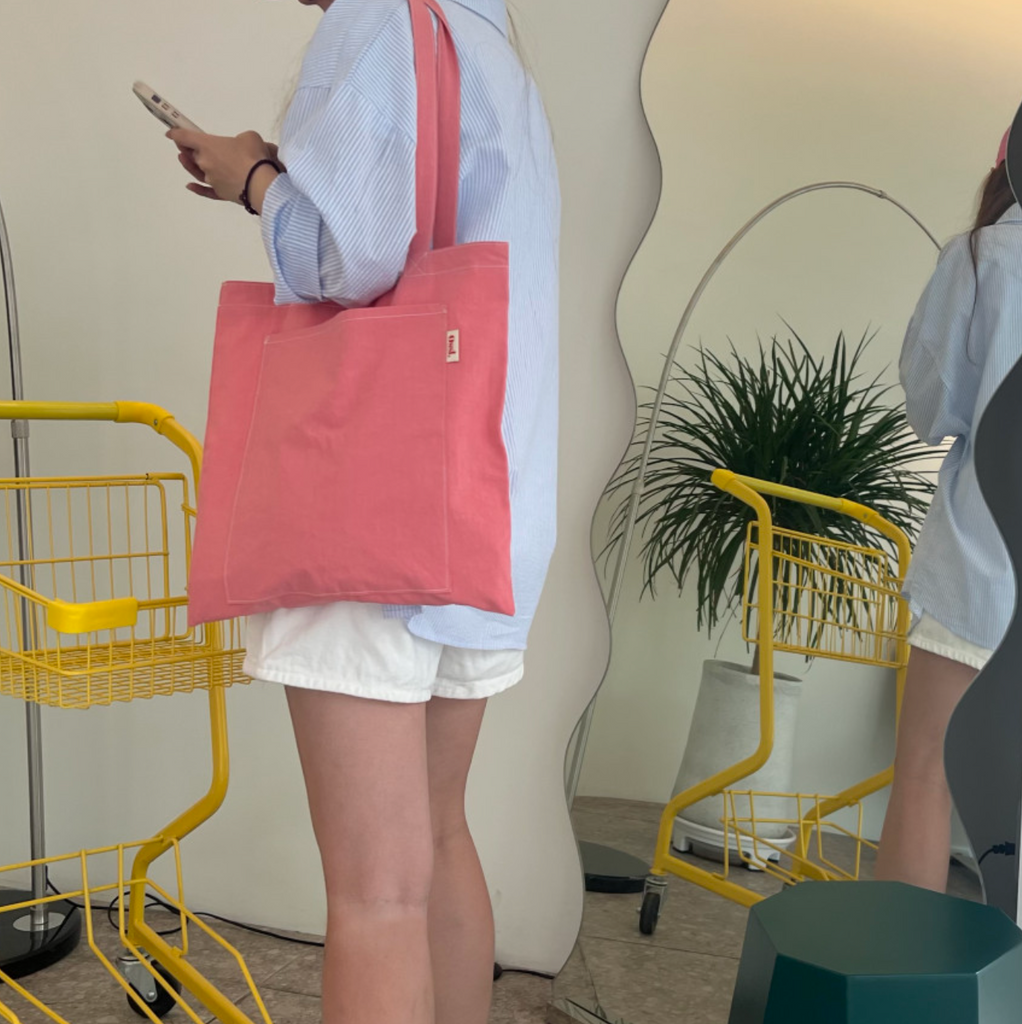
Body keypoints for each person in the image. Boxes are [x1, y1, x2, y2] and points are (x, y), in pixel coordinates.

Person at [165, 2, 560, 1022]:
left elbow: (353, 256)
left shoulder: (380, 18)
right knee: (437, 838)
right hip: (489, 506)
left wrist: (253, 177)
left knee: (376, 896)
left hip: (379, 517)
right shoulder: (489, 44)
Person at [876, 129, 1020, 892]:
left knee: (927, 777)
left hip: (983, 570)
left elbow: (933, 409)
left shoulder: (985, 257)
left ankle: (897, 964)